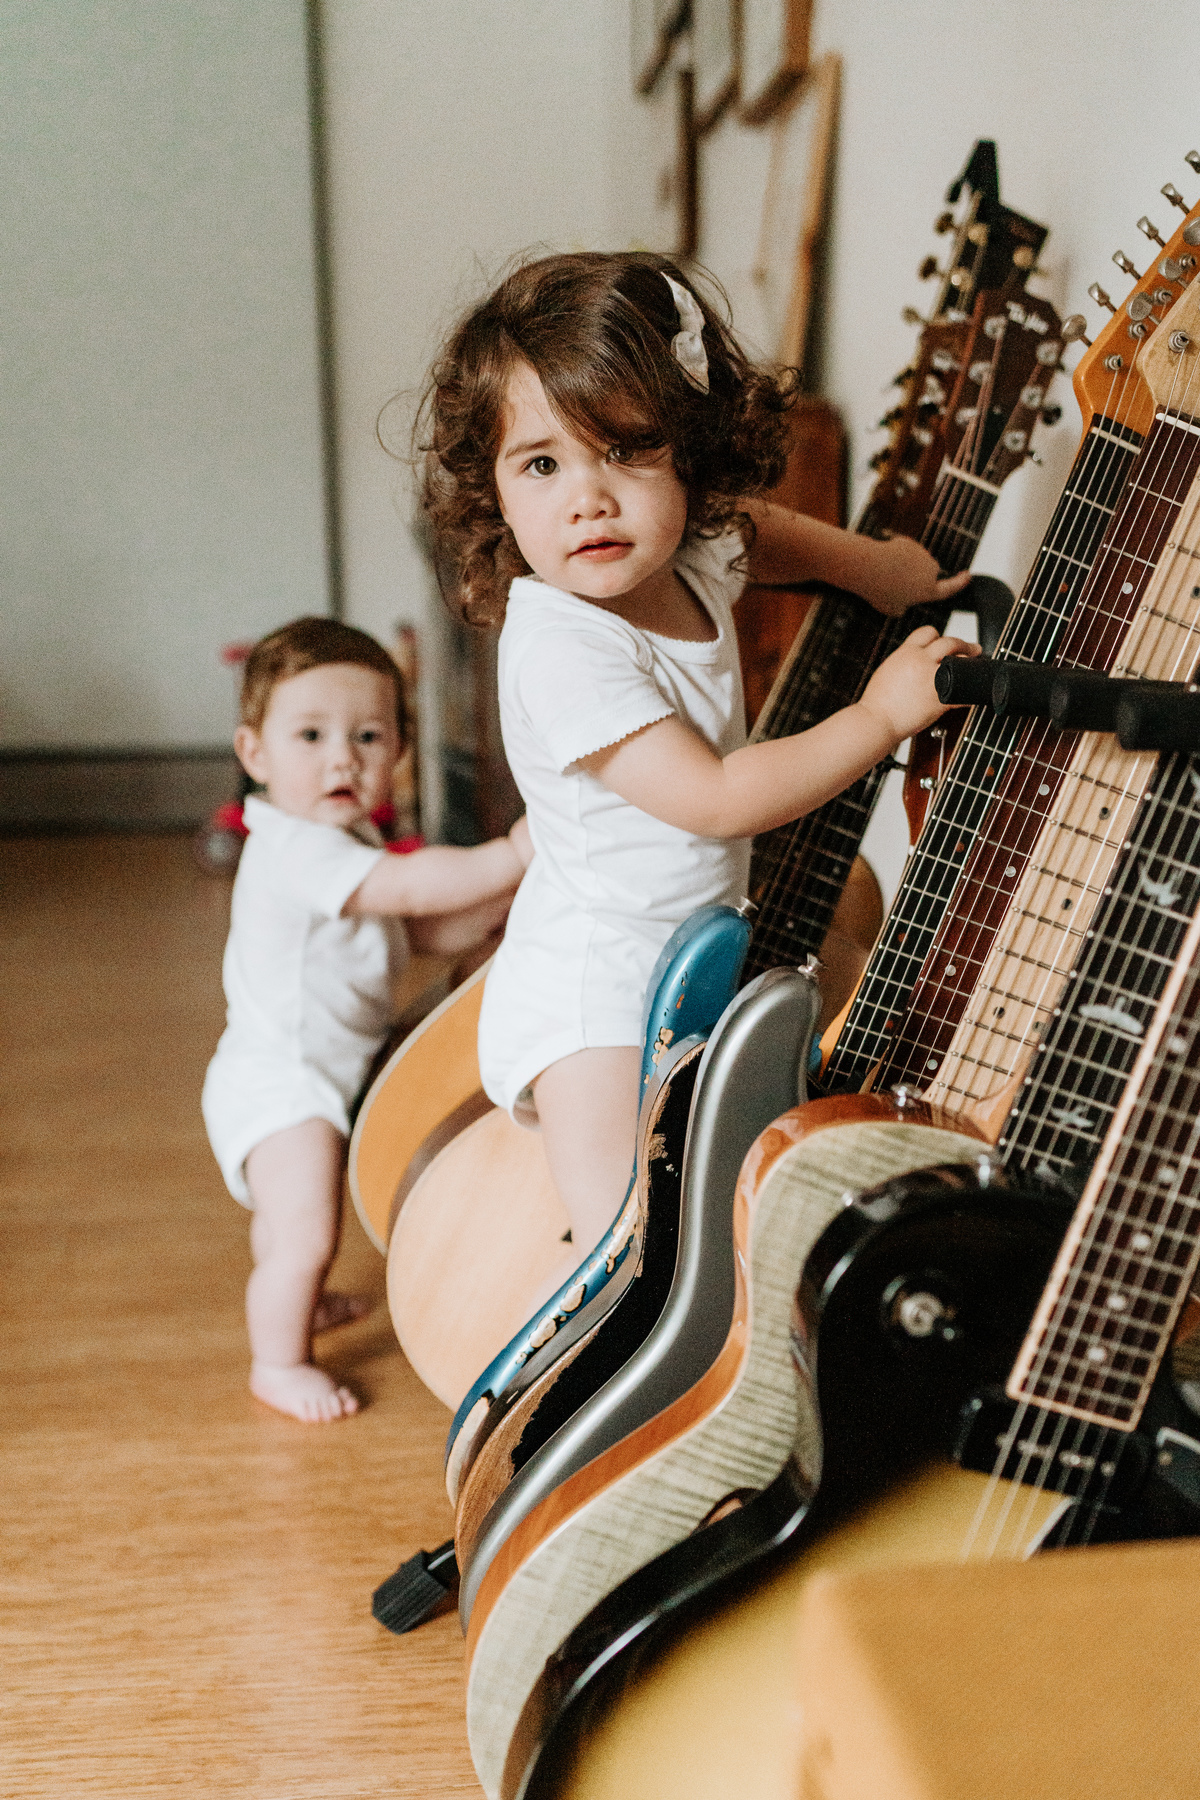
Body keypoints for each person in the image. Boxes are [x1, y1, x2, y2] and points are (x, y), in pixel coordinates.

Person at [419, 249, 975, 1298]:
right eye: (540, 465)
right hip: (593, 991)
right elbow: (716, 799)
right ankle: (610, 1344)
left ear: (693, 454)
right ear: (493, 487)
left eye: (626, 451)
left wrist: (872, 567)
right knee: (623, 1246)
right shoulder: (562, 646)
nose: (588, 500)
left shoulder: (685, 554)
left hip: (691, 942)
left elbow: (758, 534)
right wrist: (880, 716)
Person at [202, 617, 531, 1422]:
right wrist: (515, 855)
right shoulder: (295, 847)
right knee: (307, 1233)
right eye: (311, 736)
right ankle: (279, 1363)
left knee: (289, 1226)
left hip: (316, 1069)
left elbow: (415, 930)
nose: (342, 758)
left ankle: (302, 1300)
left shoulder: (342, 839)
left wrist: (497, 912)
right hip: (282, 1084)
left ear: (399, 751)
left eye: (369, 736)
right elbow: (410, 889)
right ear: (255, 755)